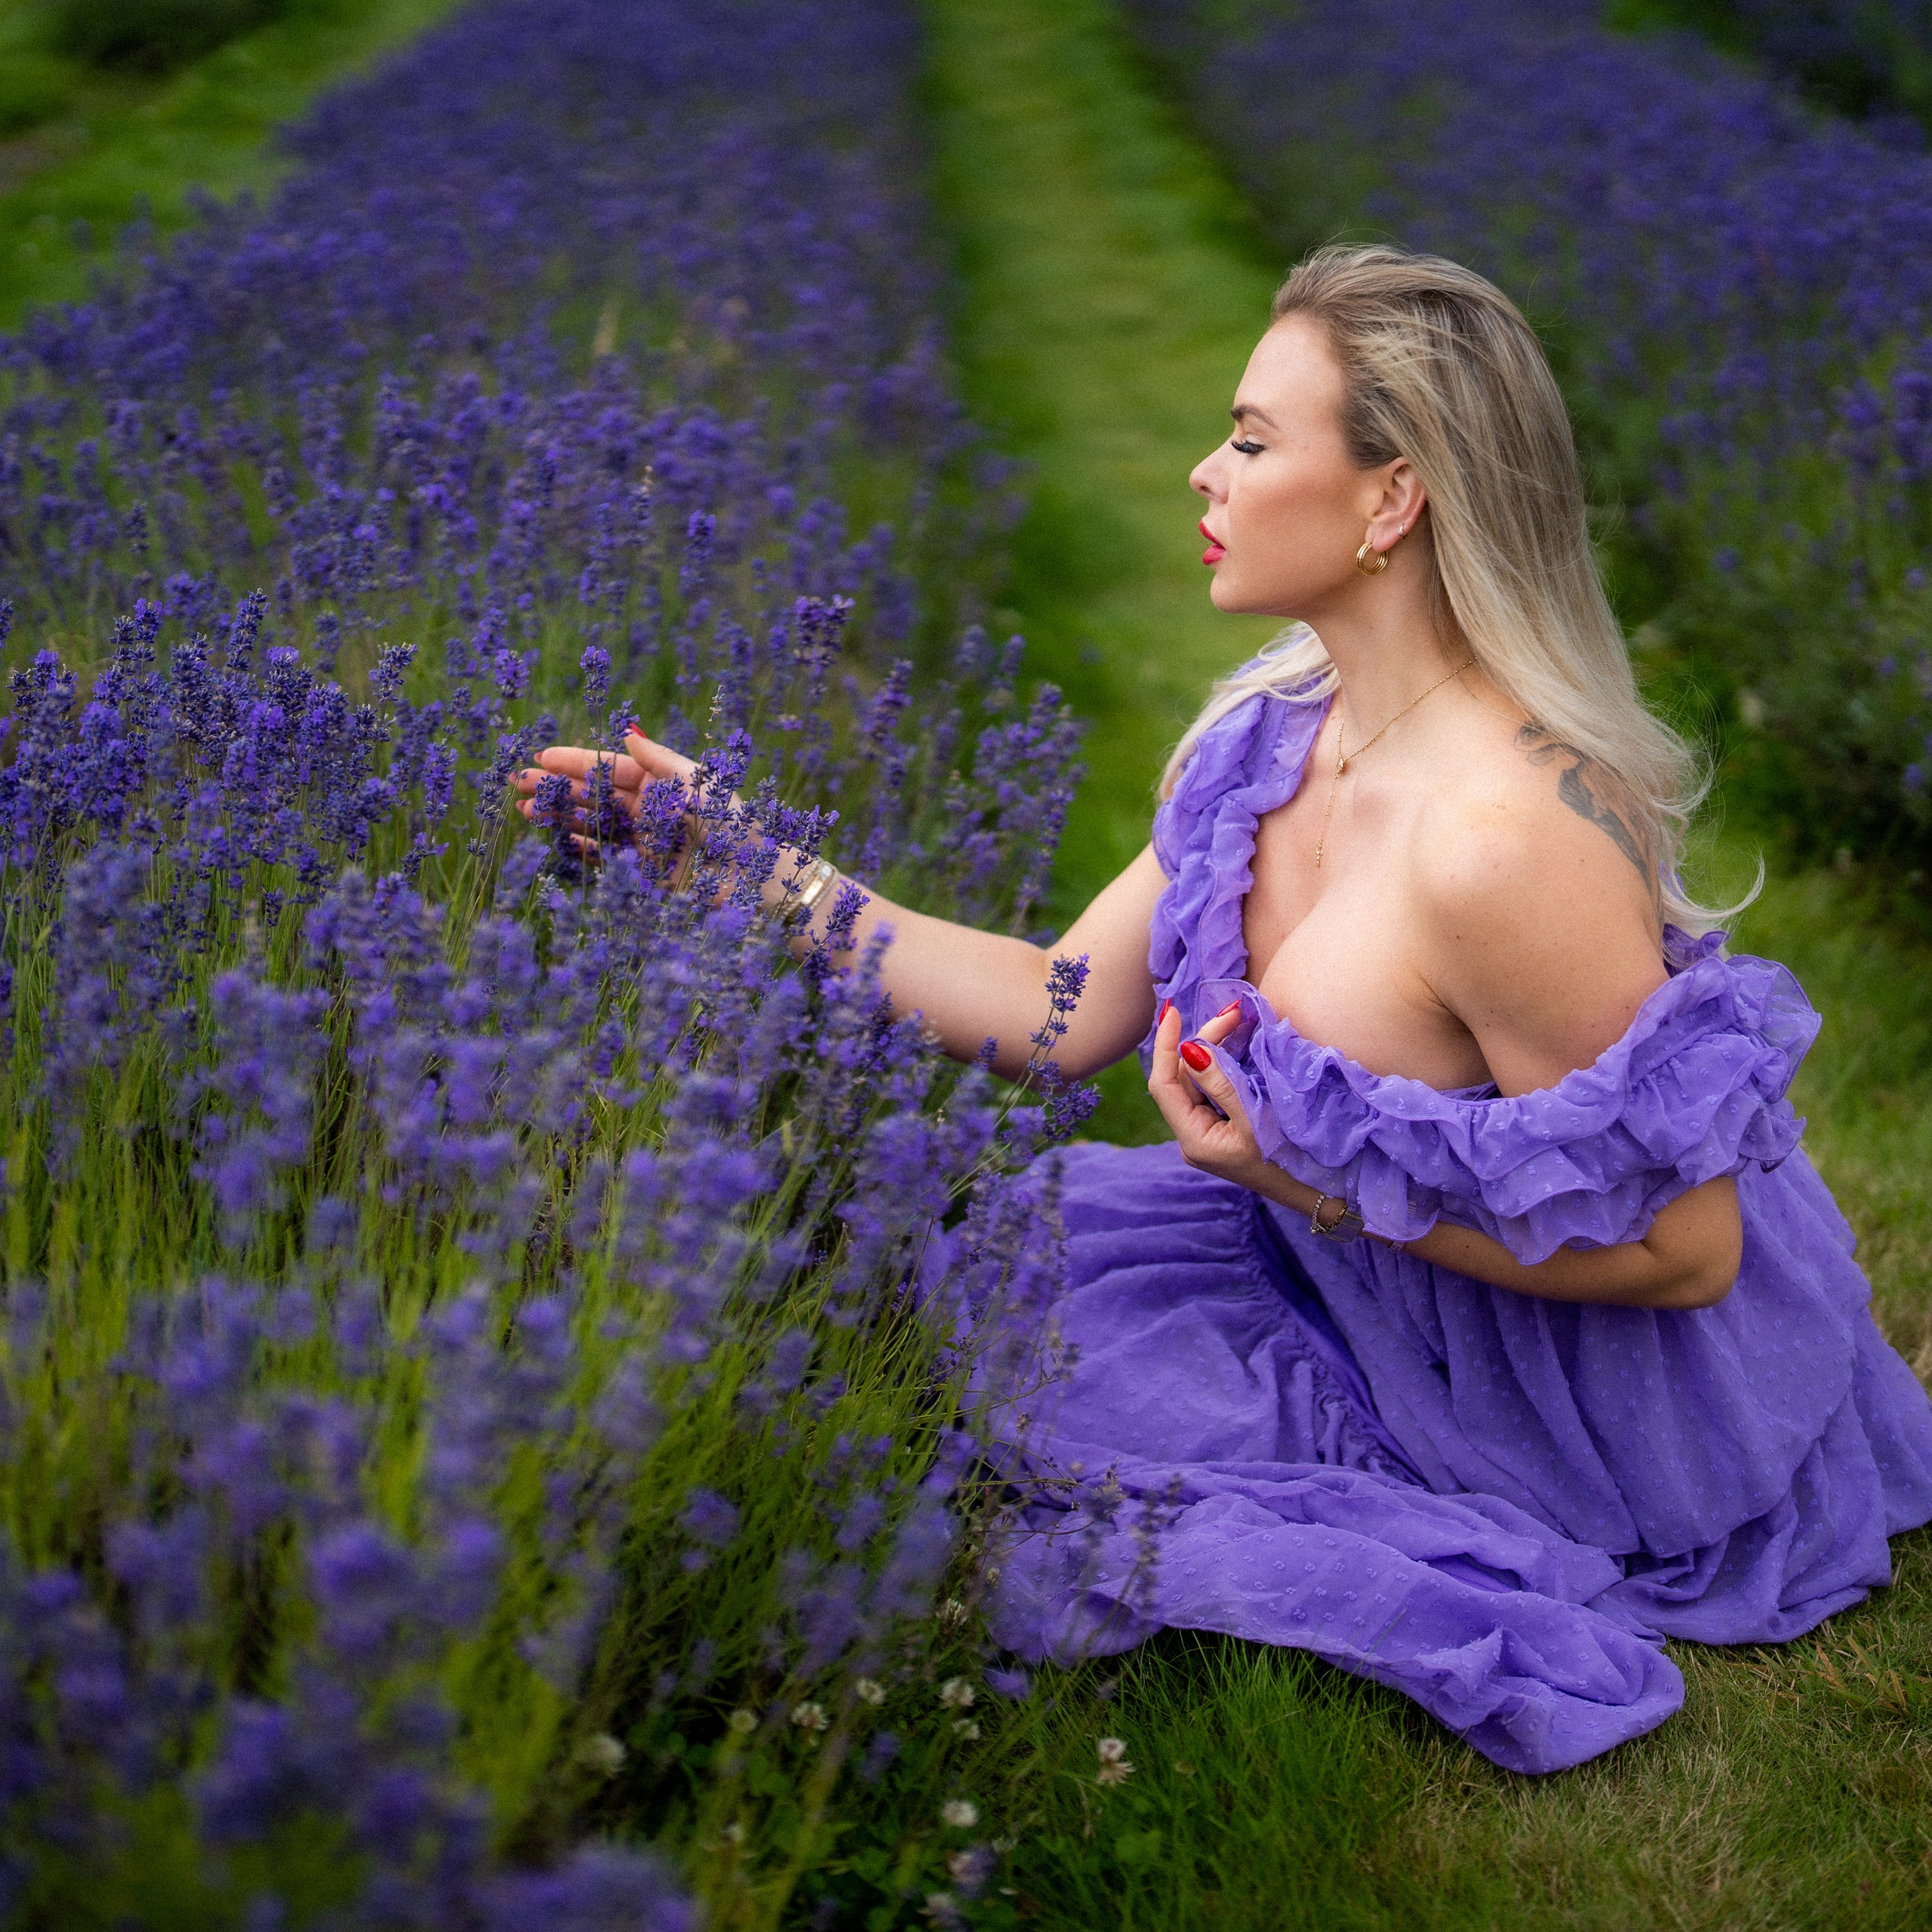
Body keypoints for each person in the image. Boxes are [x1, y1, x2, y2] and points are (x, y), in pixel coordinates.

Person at [516, 245, 1932, 1774]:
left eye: (1254, 439)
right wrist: (746, 867)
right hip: (1337, 1276)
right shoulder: (1269, 738)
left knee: (1060, 1475)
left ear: (1391, 497)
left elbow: (1682, 1249)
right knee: (934, 1331)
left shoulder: (1499, 840)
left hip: (1569, 1392)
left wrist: (1297, 1180)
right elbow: (1059, 1007)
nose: (1207, 467)